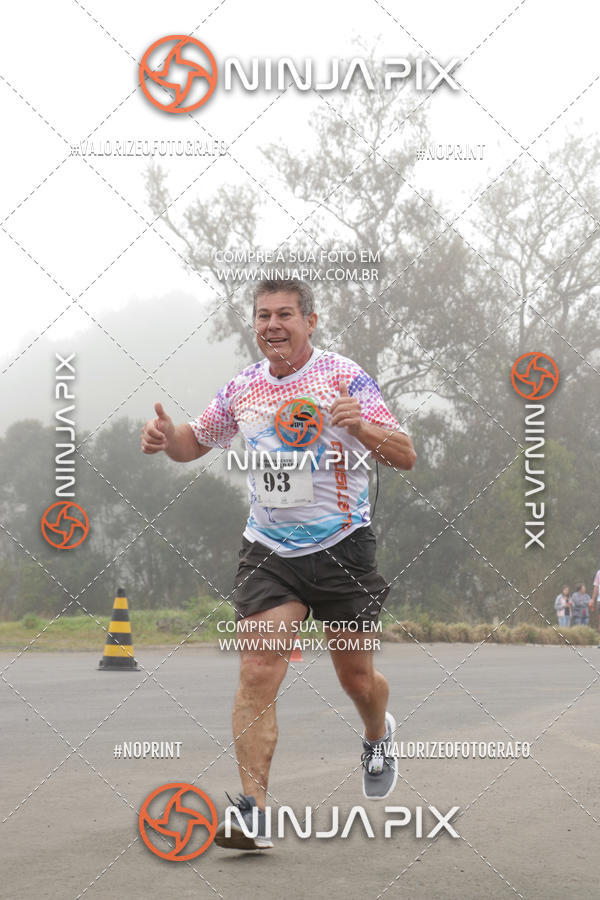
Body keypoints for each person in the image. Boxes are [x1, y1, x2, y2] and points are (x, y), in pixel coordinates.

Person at [141, 277, 416, 850]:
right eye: (263, 315)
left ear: (309, 322)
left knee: (357, 679)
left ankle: (376, 734)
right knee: (258, 668)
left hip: (343, 545)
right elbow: (197, 441)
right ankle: (254, 811)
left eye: (285, 314)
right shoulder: (244, 387)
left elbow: (406, 453)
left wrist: (362, 426)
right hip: (269, 551)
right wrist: (168, 438)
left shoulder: (345, 376)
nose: (272, 325)